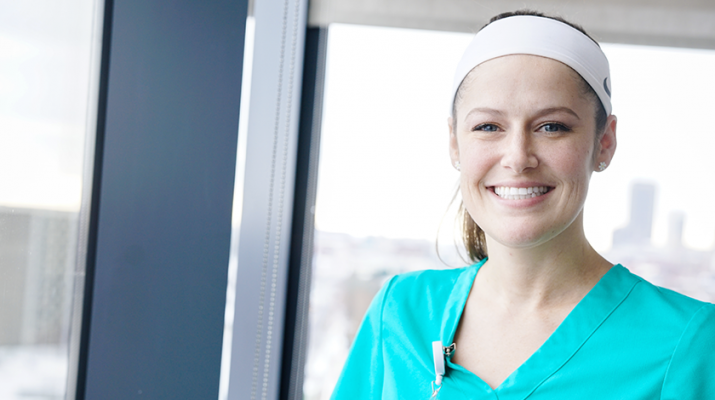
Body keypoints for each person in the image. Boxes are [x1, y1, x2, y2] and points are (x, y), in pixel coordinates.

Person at [330, 10, 715, 400]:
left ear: (604, 142)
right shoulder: (401, 312)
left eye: (552, 127)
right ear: (454, 141)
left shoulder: (689, 342)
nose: (517, 157)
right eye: (488, 127)